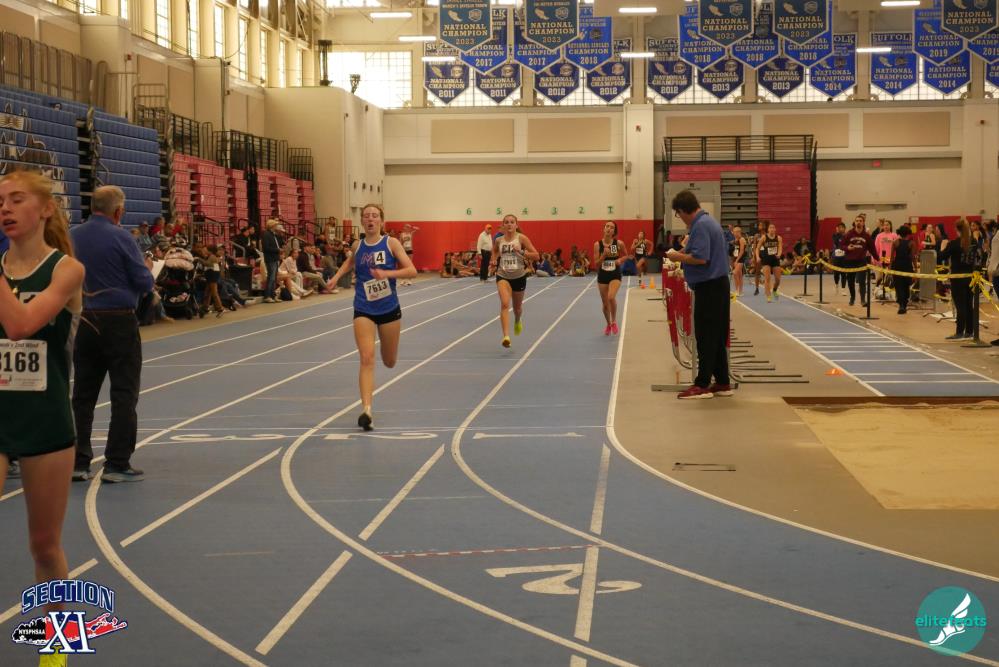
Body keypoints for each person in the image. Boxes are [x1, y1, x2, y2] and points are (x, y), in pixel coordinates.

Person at [0, 172, 84, 667]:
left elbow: (21, 325)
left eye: (17, 199)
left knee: (45, 546)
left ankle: (57, 652)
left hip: (45, 417)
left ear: (45, 209)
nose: (5, 208)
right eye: (0, 201)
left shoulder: (66, 270)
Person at [70, 185, 154, 483]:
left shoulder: (71, 235)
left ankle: (78, 462)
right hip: (119, 322)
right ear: (118, 211)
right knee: (123, 393)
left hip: (85, 321)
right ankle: (117, 462)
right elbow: (144, 283)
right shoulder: (122, 237)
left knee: (82, 395)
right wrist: (147, 268)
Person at [325, 204, 416, 430]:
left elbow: (411, 270)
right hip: (363, 307)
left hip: (389, 308)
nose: (370, 219)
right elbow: (350, 261)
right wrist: (336, 277)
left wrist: (387, 273)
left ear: (381, 221)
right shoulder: (358, 245)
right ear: (363, 222)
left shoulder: (391, 243)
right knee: (366, 358)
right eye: (366, 216)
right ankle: (366, 410)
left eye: (375, 216)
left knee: (389, 361)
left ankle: (387, 361)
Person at [666, 190, 732, 400]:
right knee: (716, 335)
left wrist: (677, 257)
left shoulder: (701, 225)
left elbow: (700, 258)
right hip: (718, 285)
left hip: (710, 287)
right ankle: (722, 381)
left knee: (705, 336)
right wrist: (684, 251)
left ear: (683, 210)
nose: (679, 218)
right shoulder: (708, 222)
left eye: (678, 214)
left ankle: (702, 384)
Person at [490, 214, 539, 348]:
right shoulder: (499, 240)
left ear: (516, 225)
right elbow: (494, 251)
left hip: (519, 277)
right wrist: (493, 260)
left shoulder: (522, 238)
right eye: (506, 222)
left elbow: (536, 256)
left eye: (512, 222)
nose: (509, 224)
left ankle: (517, 320)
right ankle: (506, 337)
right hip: (503, 275)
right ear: (503, 225)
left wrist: (522, 252)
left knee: (517, 308)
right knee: (505, 304)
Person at [939, 220, 979, 340]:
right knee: (969, 304)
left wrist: (943, 246)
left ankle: (959, 332)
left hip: (957, 278)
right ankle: (970, 331)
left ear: (957, 229)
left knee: (960, 306)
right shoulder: (973, 242)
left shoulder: (954, 243)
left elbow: (941, 256)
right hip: (970, 277)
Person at [839, 215, 877, 307]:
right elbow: (841, 245)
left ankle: (863, 300)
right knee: (850, 281)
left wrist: (878, 259)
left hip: (861, 261)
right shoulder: (849, 234)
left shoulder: (866, 236)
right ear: (854, 222)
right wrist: (847, 248)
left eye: (860, 221)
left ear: (863, 223)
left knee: (862, 281)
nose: (858, 222)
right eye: (857, 221)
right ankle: (852, 297)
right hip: (849, 261)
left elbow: (872, 249)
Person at [594, 221, 624, 335]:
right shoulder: (597, 245)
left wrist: (620, 260)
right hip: (603, 275)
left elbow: (626, 255)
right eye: (607, 226)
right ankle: (608, 324)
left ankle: (614, 321)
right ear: (604, 229)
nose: (609, 229)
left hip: (615, 274)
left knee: (611, 297)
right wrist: (603, 255)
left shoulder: (618, 243)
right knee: (605, 304)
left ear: (614, 232)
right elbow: (596, 264)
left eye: (612, 227)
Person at [756, 222, 782, 302]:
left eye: (773, 228)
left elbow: (780, 248)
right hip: (766, 259)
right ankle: (768, 295)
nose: (772, 229)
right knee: (767, 278)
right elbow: (757, 248)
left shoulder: (778, 238)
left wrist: (779, 254)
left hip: (775, 259)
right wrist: (757, 257)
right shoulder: (764, 237)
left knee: (778, 279)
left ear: (775, 229)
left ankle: (774, 290)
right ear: (768, 229)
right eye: (770, 228)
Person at [891, 224, 915, 314]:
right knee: (906, 285)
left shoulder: (895, 242)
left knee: (898, 286)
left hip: (897, 265)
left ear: (899, 233)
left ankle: (901, 305)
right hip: (907, 266)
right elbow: (913, 257)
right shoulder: (911, 243)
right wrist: (915, 268)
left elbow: (892, 257)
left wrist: (890, 268)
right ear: (908, 234)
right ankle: (904, 304)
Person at [261, 219, 283, 302]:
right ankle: (267, 296)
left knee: (274, 278)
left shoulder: (273, 234)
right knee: (271, 278)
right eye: (276, 225)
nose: (277, 226)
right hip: (270, 259)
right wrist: (277, 250)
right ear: (272, 226)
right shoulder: (266, 234)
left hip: (275, 258)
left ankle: (273, 296)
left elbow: (278, 244)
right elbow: (266, 248)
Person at [751, 220, 767, 296]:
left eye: (761, 225)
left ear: (764, 226)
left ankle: (767, 287)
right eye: (759, 225)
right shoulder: (756, 236)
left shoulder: (767, 235)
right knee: (757, 272)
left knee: (766, 272)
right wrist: (753, 257)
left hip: (766, 255)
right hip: (758, 255)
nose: (759, 226)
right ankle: (757, 288)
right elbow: (754, 247)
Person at [830, 221, 847, 295]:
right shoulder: (835, 235)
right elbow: (836, 242)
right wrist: (838, 233)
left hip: (844, 257)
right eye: (839, 228)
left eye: (842, 228)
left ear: (844, 228)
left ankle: (843, 289)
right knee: (836, 273)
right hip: (836, 257)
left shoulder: (847, 236)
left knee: (843, 273)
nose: (840, 229)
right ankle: (836, 285)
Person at [731, 226, 748, 297]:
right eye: (733, 232)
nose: (734, 233)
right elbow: (735, 250)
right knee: (739, 275)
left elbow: (742, 251)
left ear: (739, 232)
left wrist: (737, 260)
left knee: (735, 273)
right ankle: (739, 291)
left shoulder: (742, 239)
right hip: (736, 257)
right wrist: (733, 259)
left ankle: (738, 290)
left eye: (735, 232)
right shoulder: (735, 240)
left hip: (740, 259)